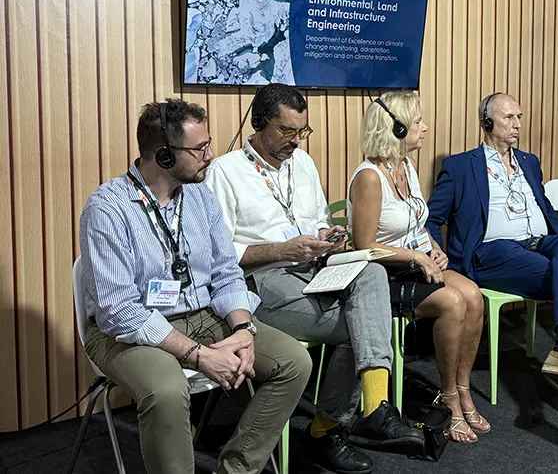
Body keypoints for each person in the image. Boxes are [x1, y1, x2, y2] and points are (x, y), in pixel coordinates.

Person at [78, 99, 310, 474]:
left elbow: (225, 272)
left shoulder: (201, 196)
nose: (211, 155)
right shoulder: (108, 209)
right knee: (168, 391)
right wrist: (198, 355)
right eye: (200, 148)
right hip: (125, 332)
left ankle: (236, 469)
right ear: (165, 156)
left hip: (202, 315)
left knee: (293, 362)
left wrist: (242, 329)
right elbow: (118, 309)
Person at [205, 84, 423, 474]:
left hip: (315, 267)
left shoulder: (302, 162)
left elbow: (320, 220)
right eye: (287, 131)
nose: (296, 140)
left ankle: (374, 406)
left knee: (371, 269)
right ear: (258, 123)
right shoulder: (225, 172)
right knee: (365, 326)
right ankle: (328, 429)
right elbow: (218, 255)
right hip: (263, 281)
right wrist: (282, 249)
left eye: (302, 131)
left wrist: (329, 236)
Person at [425, 93, 558, 439]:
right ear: (487, 123)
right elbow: (431, 219)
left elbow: (545, 210)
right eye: (509, 118)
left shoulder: (530, 162)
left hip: (537, 242)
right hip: (491, 252)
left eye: (519, 117)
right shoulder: (459, 166)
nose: (518, 125)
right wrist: (437, 256)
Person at [348, 91, 489, 444]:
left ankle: (463, 387)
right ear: (394, 128)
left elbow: (416, 225)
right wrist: (415, 257)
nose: (425, 128)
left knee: (473, 296)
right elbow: (364, 245)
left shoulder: (406, 166)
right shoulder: (369, 176)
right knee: (453, 303)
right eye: (417, 123)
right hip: (383, 276)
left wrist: (434, 248)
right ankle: (449, 400)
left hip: (417, 262)